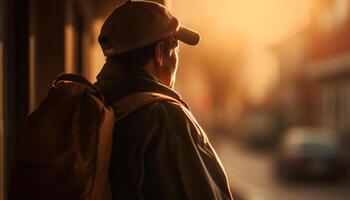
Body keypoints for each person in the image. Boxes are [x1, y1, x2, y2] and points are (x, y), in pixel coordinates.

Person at [94, 0, 233, 199]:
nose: (176, 58)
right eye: (176, 48)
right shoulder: (165, 117)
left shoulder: (95, 104)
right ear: (160, 52)